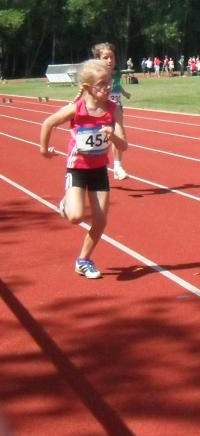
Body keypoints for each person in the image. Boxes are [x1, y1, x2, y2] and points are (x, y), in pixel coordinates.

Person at [39, 59, 128, 279]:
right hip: (77, 169)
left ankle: (83, 260)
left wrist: (113, 136)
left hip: (99, 171)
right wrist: (44, 150)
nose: (108, 87)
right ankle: (66, 205)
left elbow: (124, 145)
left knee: (101, 221)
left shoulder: (114, 109)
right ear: (88, 87)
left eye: (109, 82)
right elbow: (48, 123)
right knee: (75, 217)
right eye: (102, 84)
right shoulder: (76, 109)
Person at [92, 43, 131, 180]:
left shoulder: (117, 73)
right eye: (105, 58)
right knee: (99, 140)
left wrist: (124, 93)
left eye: (112, 57)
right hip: (100, 111)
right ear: (98, 59)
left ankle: (118, 167)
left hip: (116, 109)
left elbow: (117, 86)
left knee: (120, 136)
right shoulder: (94, 75)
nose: (110, 61)